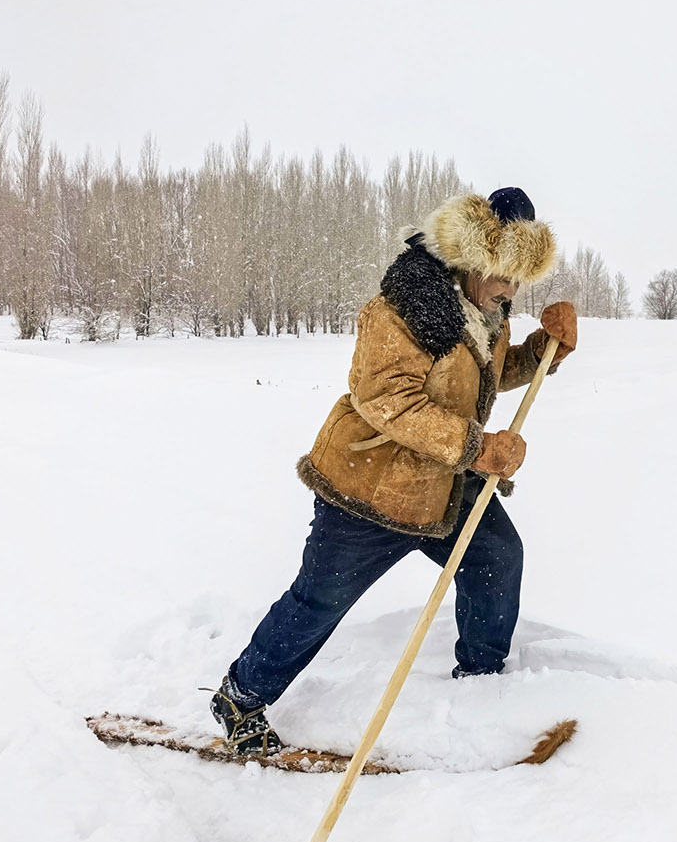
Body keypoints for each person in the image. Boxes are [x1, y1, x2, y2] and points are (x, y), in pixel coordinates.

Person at [209, 187, 578, 754]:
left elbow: (483, 378)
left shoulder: (488, 313)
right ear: (472, 258)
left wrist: (544, 350)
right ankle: (241, 695)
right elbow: (387, 398)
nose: (511, 290)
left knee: (496, 557)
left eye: (519, 279)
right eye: (503, 275)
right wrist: (477, 447)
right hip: (370, 487)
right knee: (319, 600)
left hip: (444, 483)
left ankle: (481, 686)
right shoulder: (403, 307)